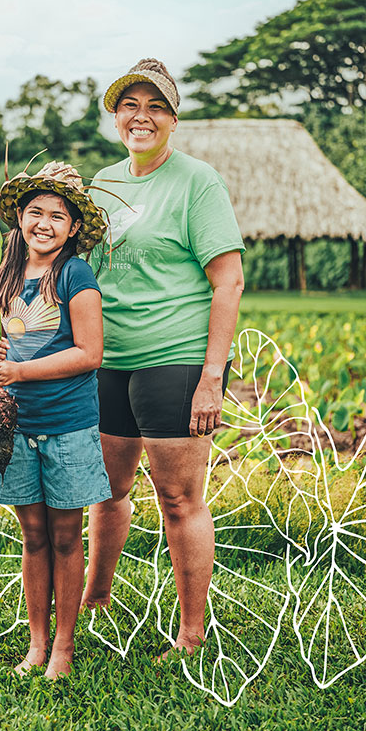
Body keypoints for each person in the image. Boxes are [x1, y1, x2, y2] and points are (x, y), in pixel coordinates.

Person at [81, 58, 245, 657]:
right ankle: (95, 602)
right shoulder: (102, 182)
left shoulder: (197, 181)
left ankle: (193, 633)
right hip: (108, 360)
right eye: (129, 105)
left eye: (154, 106)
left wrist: (211, 377)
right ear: (116, 116)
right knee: (107, 488)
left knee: (178, 497)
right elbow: (84, 276)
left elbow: (228, 282)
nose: (140, 116)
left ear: (173, 118)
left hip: (175, 358)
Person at [0, 161, 110, 679]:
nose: (45, 223)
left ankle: (64, 648)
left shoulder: (75, 273)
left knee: (64, 535)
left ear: (73, 228)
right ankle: (37, 642)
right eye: (36, 212)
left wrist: (20, 369)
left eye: (58, 216)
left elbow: (90, 352)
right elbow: (5, 351)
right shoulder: (5, 273)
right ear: (21, 219)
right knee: (32, 535)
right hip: (15, 423)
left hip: (68, 423)